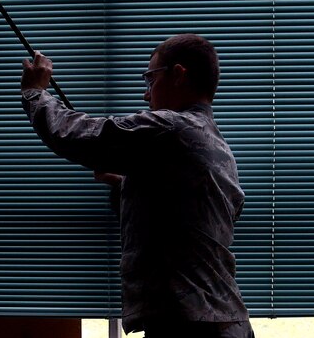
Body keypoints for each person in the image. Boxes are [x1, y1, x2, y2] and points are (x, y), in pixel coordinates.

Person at [21, 35, 254, 338]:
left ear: (178, 74)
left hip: (189, 327)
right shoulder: (216, 144)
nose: (146, 94)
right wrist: (129, 187)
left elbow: (75, 134)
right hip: (221, 321)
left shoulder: (171, 127)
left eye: (150, 78)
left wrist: (35, 92)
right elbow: (183, 223)